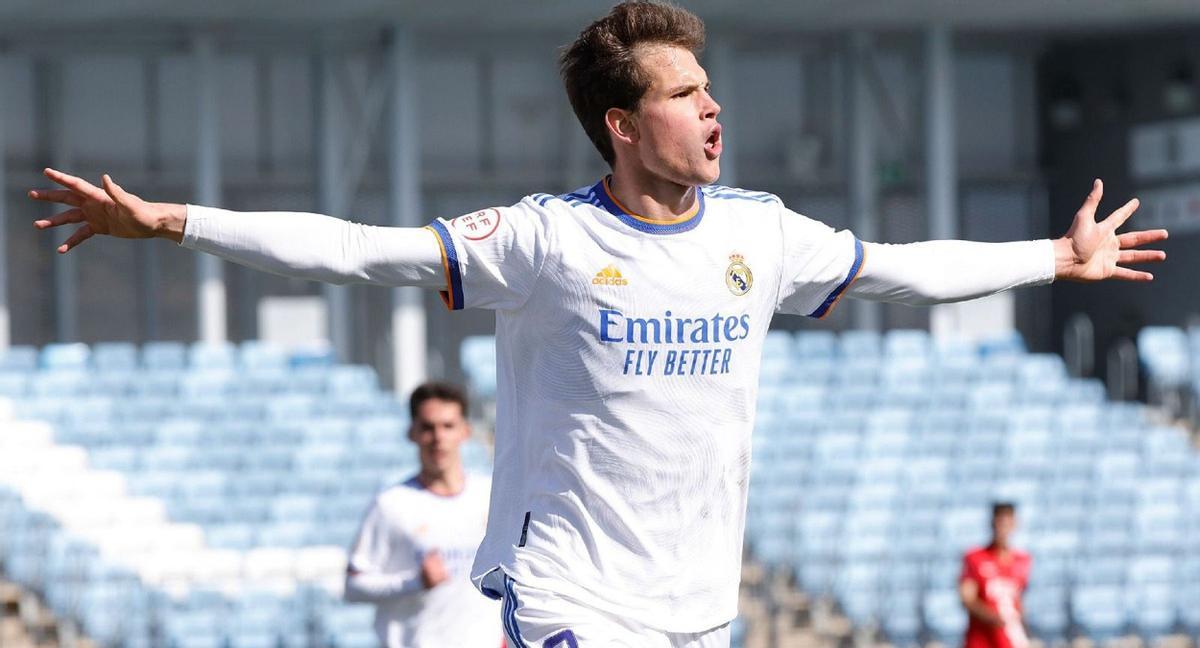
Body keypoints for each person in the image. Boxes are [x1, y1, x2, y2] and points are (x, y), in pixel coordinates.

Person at [28, 2, 1167, 645]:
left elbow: (906, 270)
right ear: (622, 125)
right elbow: (358, 249)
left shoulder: (761, 234)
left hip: (701, 606)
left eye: (710, 88)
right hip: (572, 598)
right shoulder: (545, 240)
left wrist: (1056, 258)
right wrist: (176, 224)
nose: (714, 105)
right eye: (684, 94)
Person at [343, 381, 502, 647]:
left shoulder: (491, 496)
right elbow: (353, 586)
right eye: (428, 428)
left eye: (448, 426)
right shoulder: (392, 504)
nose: (438, 437)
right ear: (412, 433)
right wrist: (414, 581)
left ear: (465, 431)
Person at [960, 503, 1032, 648]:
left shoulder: (1023, 560)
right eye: (1000, 523)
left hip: (1009, 640)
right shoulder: (975, 558)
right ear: (992, 523)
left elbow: (1018, 599)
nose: (1003, 529)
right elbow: (967, 598)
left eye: (1007, 523)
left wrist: (1020, 625)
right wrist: (993, 617)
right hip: (981, 640)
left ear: (1014, 524)